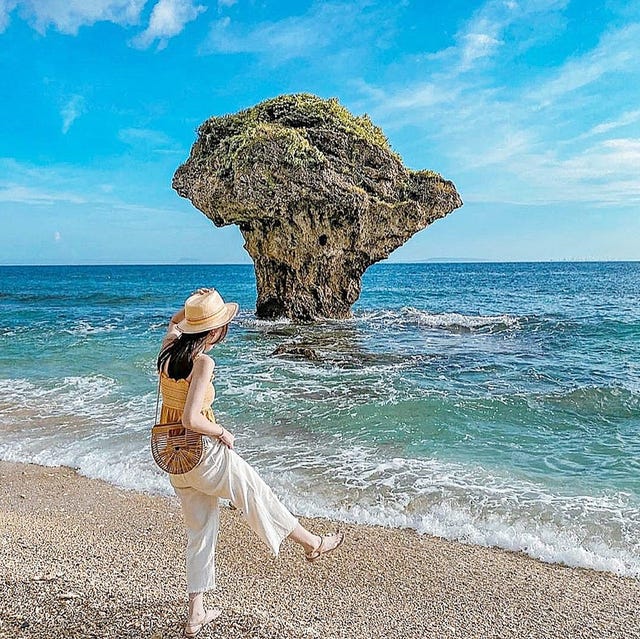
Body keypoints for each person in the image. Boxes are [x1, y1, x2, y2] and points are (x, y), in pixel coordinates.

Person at [156, 288, 344, 638]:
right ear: (214, 331)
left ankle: (196, 613)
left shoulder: (168, 350)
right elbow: (191, 419)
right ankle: (312, 543)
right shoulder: (203, 362)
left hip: (174, 456)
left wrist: (193, 307)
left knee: (200, 531)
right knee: (258, 493)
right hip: (203, 453)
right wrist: (222, 431)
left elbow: (174, 322)